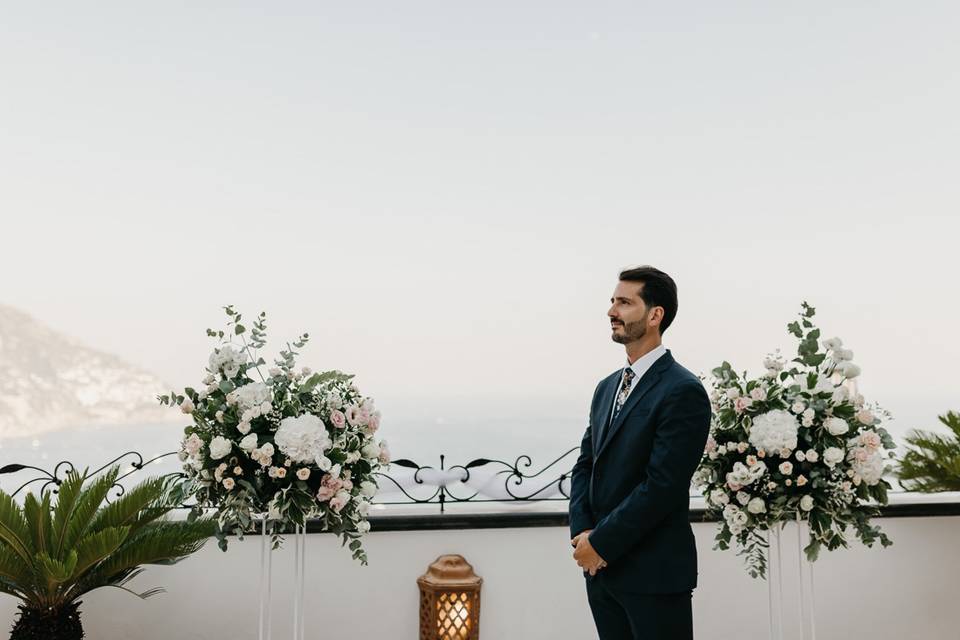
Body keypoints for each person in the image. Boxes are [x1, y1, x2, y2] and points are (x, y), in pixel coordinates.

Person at [569, 265, 712, 640]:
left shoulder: (683, 390)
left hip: (654, 574)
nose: (611, 311)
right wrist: (583, 533)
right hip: (601, 573)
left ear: (655, 315)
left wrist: (601, 543)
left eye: (624, 302)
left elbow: (662, 485)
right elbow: (586, 464)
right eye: (613, 301)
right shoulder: (606, 388)